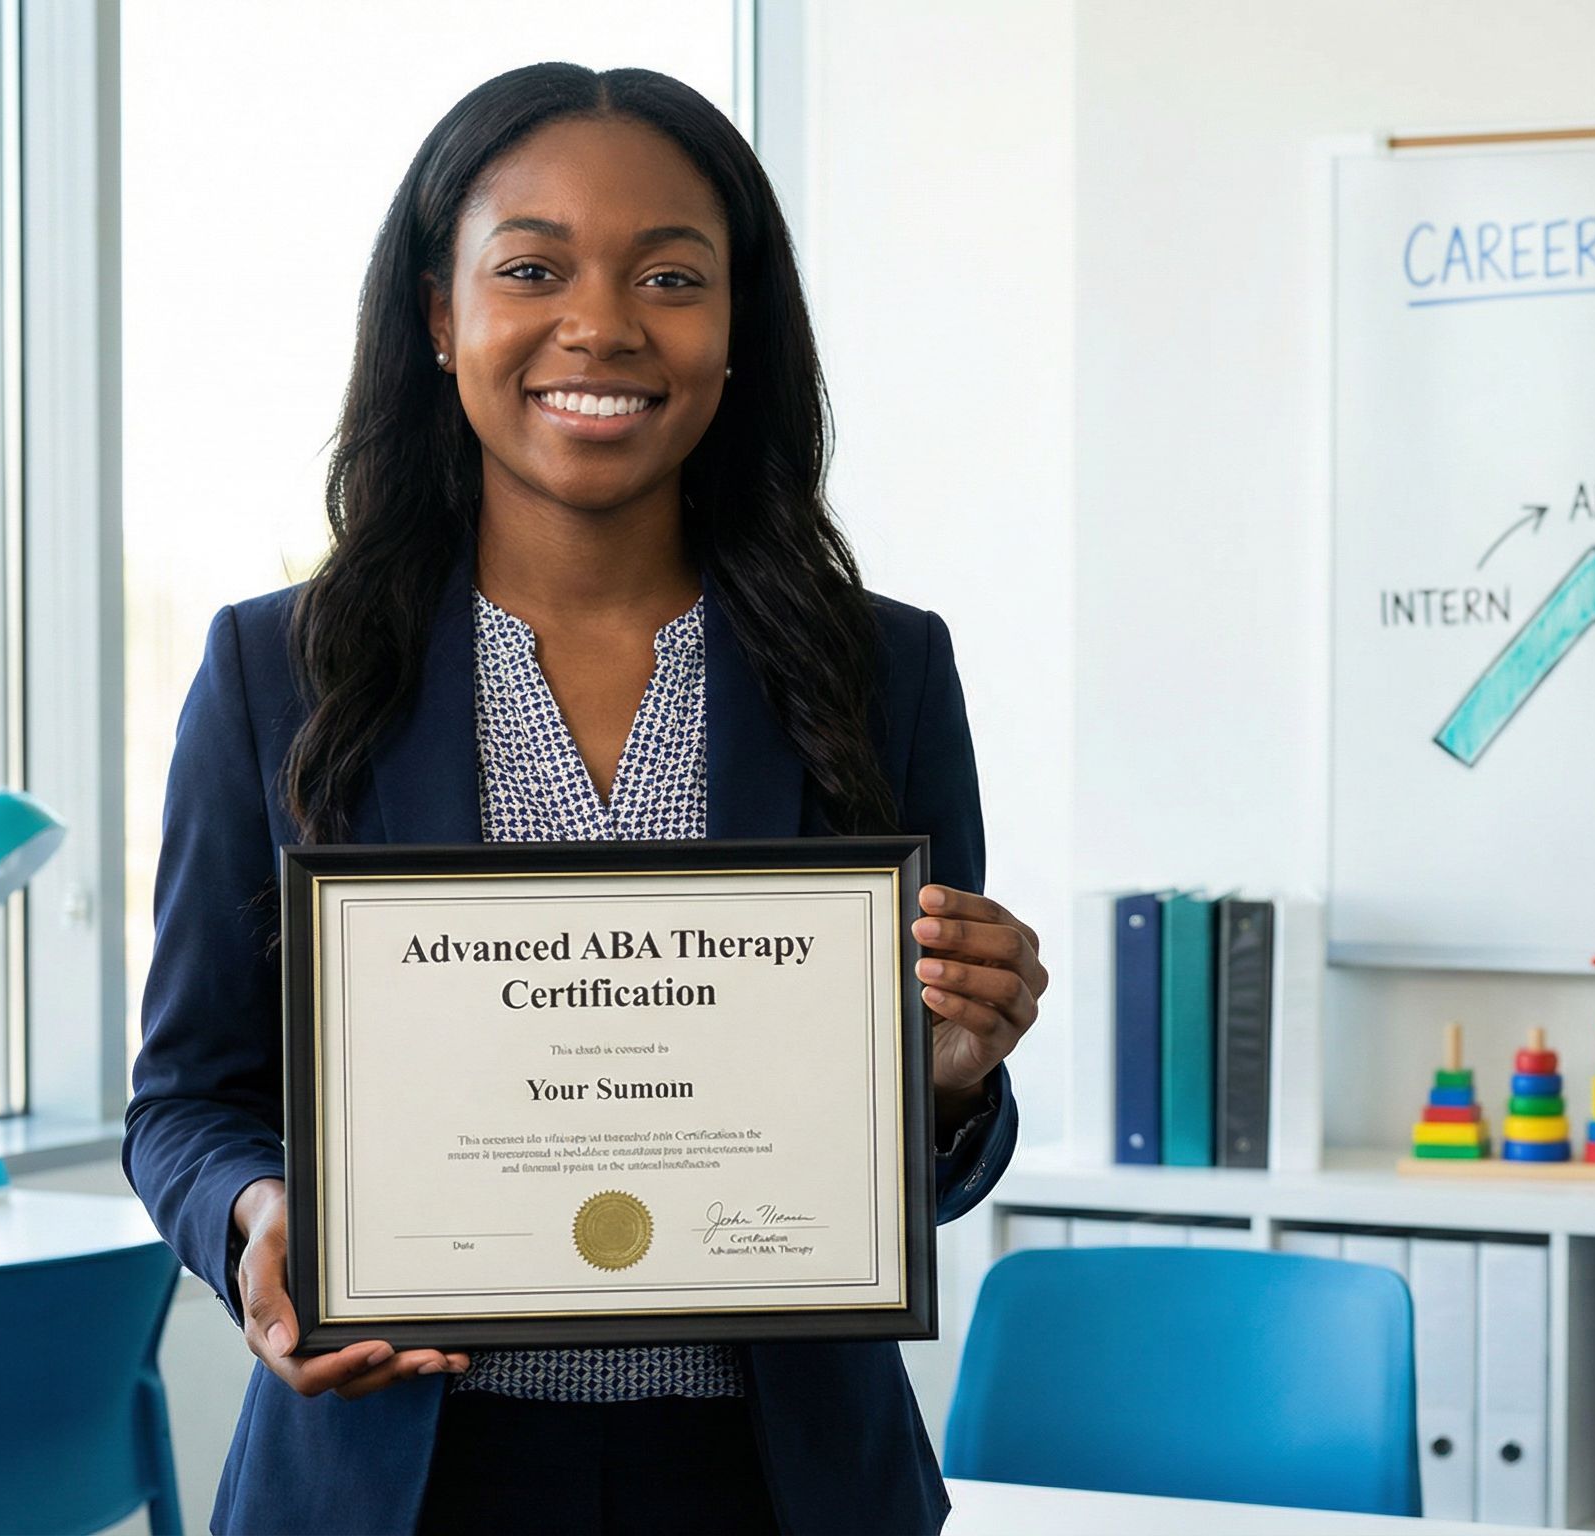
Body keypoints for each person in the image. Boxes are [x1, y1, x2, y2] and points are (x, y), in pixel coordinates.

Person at [123, 64, 1044, 1535]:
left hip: (774, 1485)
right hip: (396, 1480)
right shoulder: (273, 671)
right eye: (533, 268)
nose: (601, 324)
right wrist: (258, 1213)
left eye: (671, 275)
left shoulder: (885, 668)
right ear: (441, 317)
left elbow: (921, 1179)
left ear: (738, 326)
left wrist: (948, 1084)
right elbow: (183, 1101)